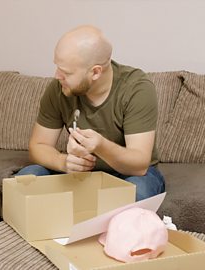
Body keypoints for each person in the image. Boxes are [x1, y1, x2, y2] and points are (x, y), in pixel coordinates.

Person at [16, 25, 165, 201]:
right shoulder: (60, 88)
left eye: (66, 72)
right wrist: (63, 162)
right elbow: (38, 146)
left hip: (127, 175)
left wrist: (100, 146)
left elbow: (139, 165)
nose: (57, 76)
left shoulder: (136, 88)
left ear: (95, 72)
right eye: (58, 67)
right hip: (77, 174)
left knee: (138, 191)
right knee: (28, 177)